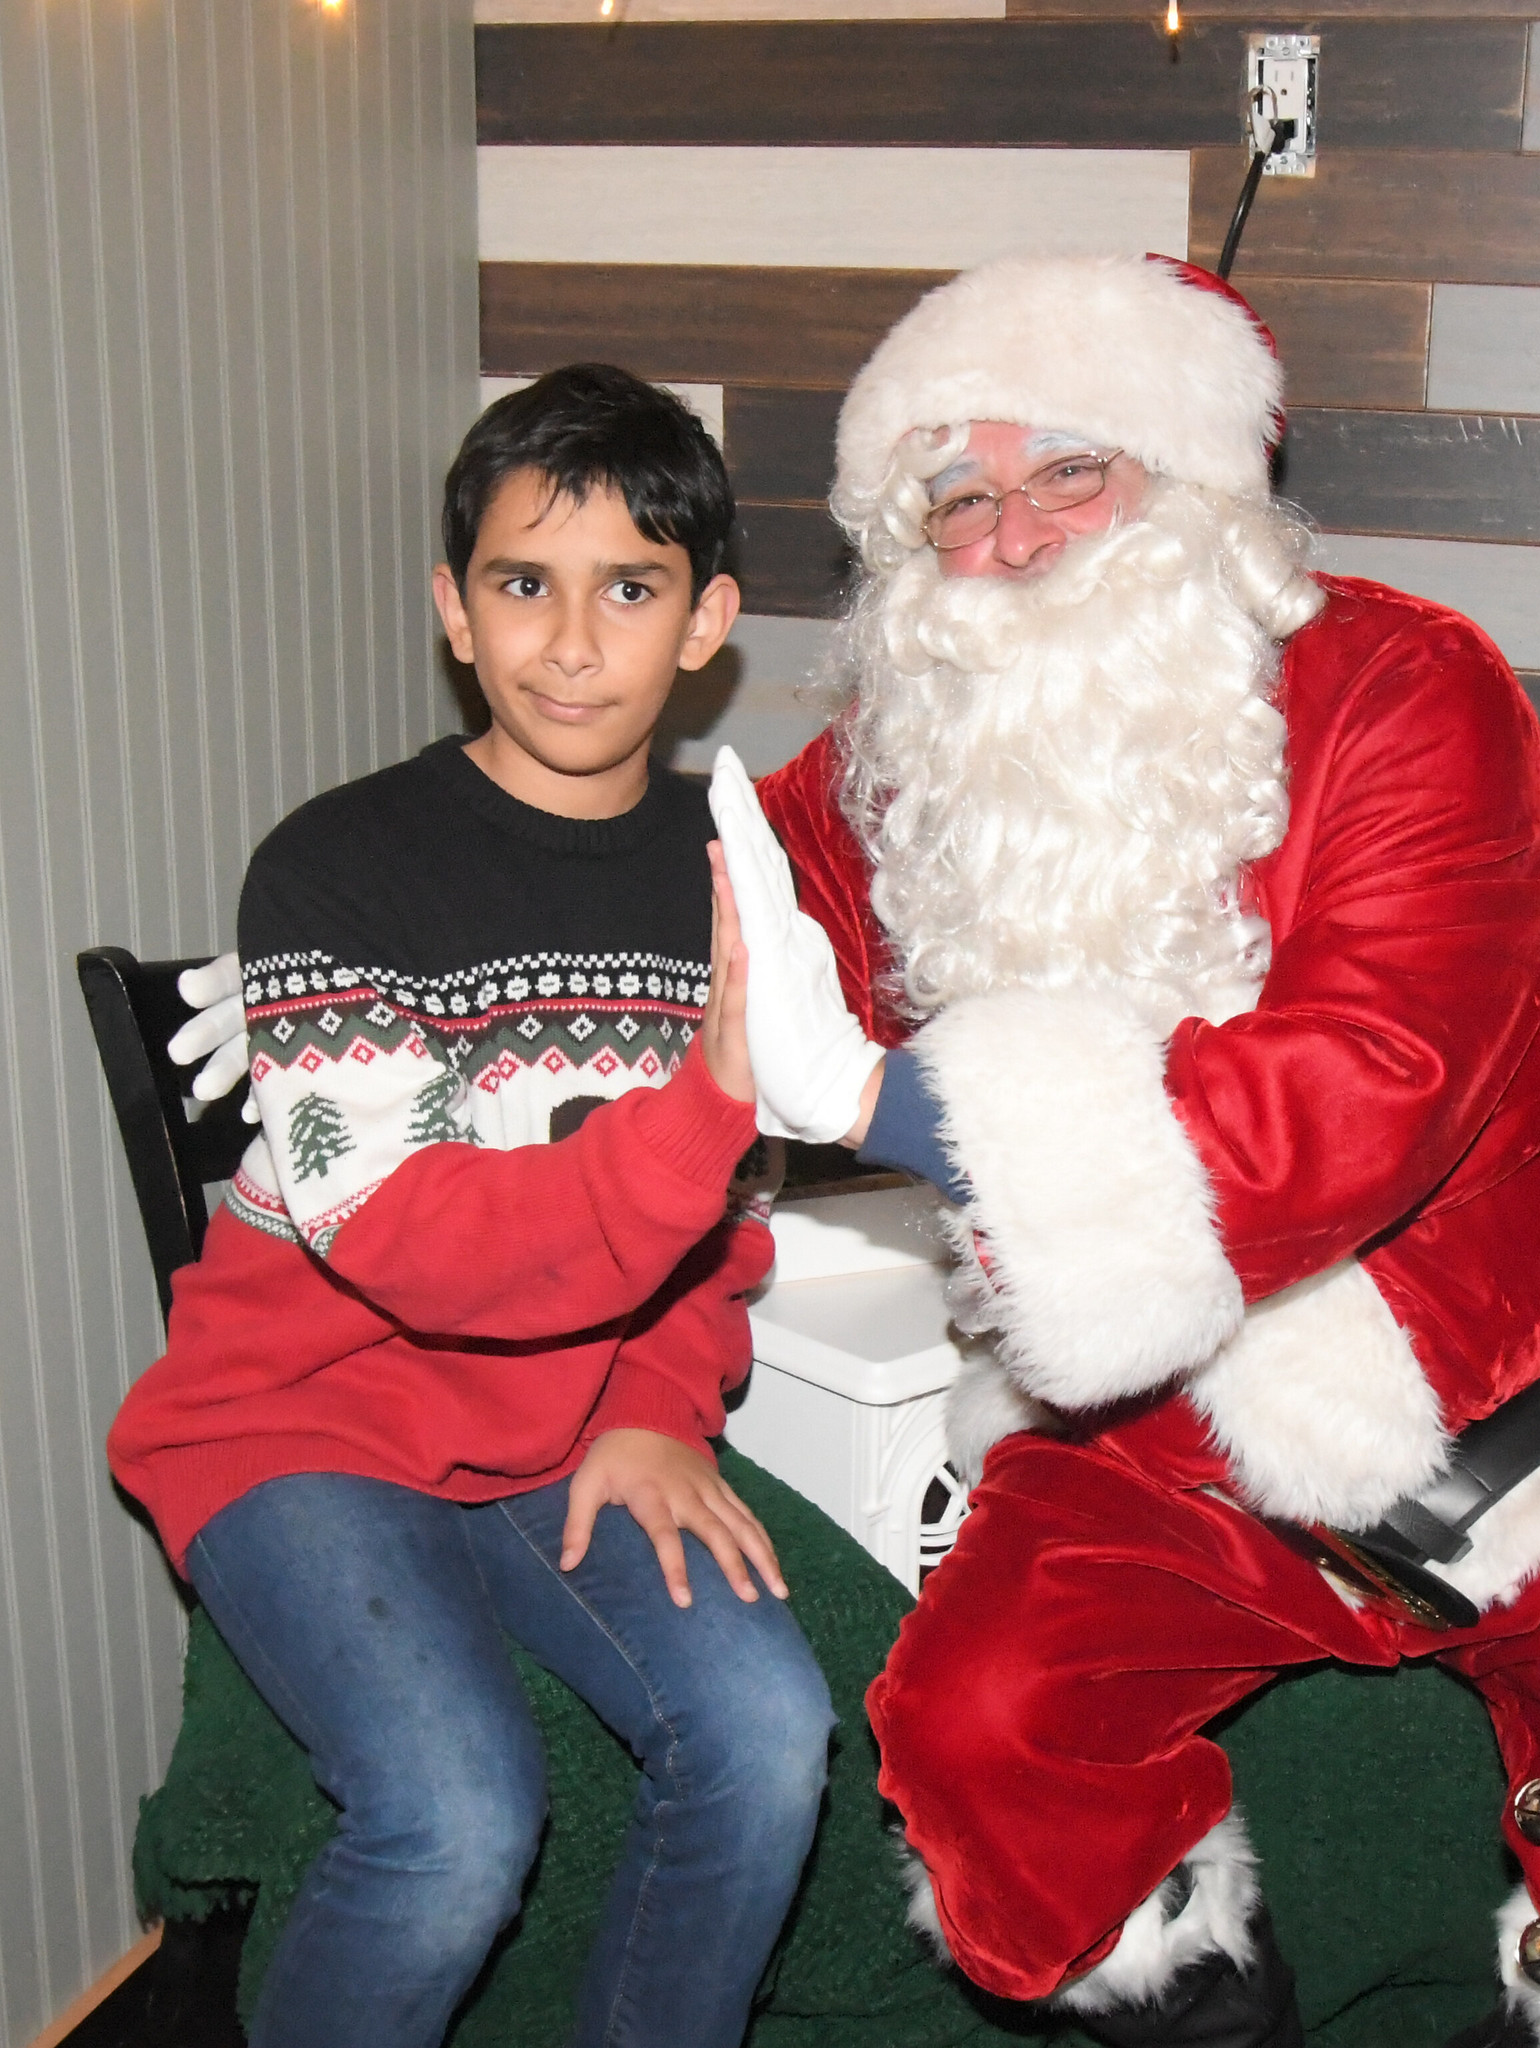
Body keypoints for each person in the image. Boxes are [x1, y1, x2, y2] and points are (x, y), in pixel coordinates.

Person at [701, 255, 1540, 2048]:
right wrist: (389, 962)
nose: (1017, 539)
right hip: (1167, 1431)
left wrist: (904, 1110)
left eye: (1071, 473)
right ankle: (1205, 2012)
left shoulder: (1412, 685)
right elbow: (668, 915)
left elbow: (1378, 1076)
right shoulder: (917, 761)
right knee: (979, 1739)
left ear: (1190, 485)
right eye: (959, 497)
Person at [108, 365, 835, 2048]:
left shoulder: (730, 881)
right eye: (525, 583)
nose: (573, 640)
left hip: (569, 1415)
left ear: (707, 619)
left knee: (766, 1738)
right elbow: (416, 1244)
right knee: (455, 1823)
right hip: (298, 1423)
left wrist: (661, 1406)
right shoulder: (333, 865)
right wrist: (711, 1095)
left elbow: (719, 1224)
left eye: (631, 588)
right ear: (454, 608)